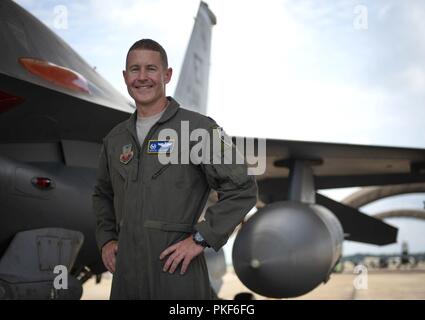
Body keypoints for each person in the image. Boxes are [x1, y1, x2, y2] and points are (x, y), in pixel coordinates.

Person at [93, 39, 257, 299]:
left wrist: (201, 239)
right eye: (135, 70)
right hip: (127, 278)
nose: (142, 77)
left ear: (167, 75)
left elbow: (242, 189)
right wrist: (107, 239)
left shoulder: (198, 129)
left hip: (177, 274)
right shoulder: (115, 139)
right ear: (125, 77)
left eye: (151, 69)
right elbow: (102, 193)